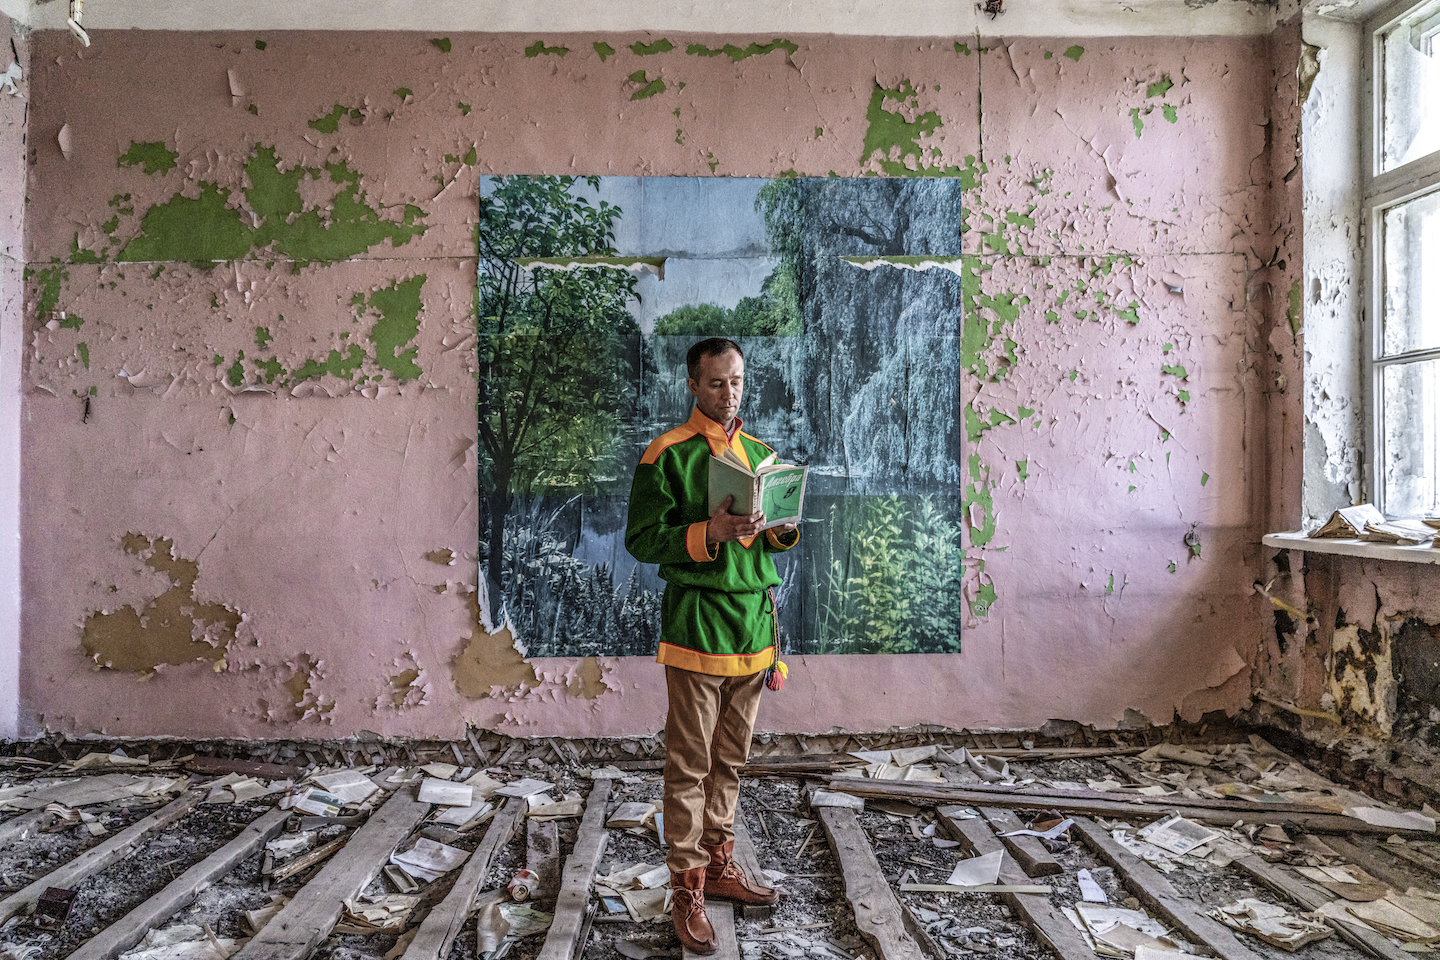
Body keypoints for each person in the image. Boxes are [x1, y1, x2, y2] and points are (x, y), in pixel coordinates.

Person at [625, 337, 799, 955]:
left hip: (755, 625)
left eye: (738, 381)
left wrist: (781, 530)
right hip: (697, 623)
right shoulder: (665, 455)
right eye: (718, 383)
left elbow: (770, 539)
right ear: (694, 386)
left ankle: (722, 864)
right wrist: (710, 531)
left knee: (733, 760)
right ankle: (686, 886)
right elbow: (643, 541)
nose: (731, 393)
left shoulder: (762, 455)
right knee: (689, 763)